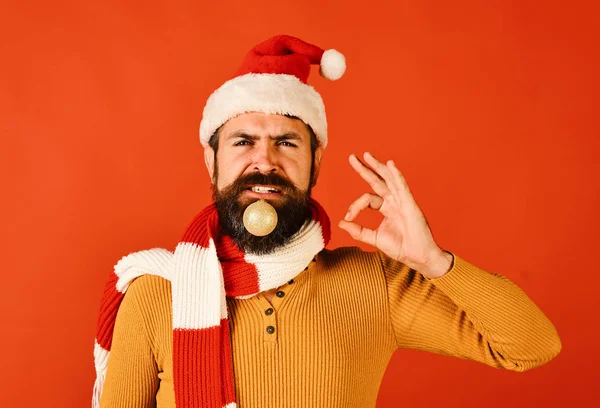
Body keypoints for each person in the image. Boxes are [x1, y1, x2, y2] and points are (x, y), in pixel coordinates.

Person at [92, 34, 561, 408]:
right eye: (242, 142)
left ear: (316, 163)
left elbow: (529, 346)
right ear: (211, 162)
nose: (265, 161)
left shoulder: (372, 282)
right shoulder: (156, 293)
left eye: (287, 143)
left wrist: (433, 261)